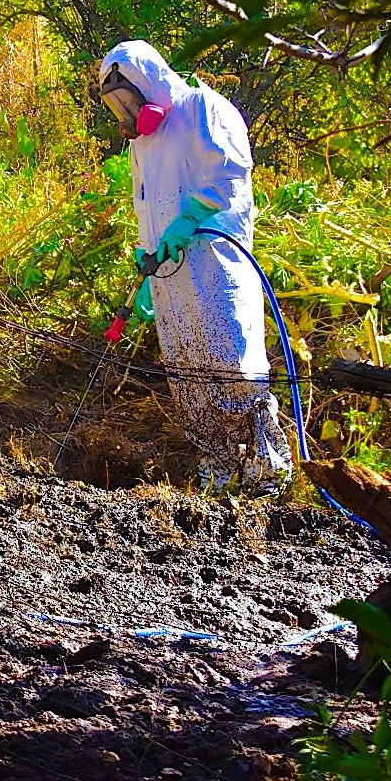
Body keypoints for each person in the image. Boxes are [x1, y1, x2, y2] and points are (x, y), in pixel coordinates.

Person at [96, 39, 291, 493]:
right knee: (187, 372)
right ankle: (219, 477)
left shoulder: (201, 107)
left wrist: (189, 220)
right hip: (170, 275)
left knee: (231, 364)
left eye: (129, 96)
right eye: (116, 104)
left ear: (150, 80)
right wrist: (148, 273)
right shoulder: (143, 144)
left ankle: (266, 476)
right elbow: (148, 209)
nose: (126, 110)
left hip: (214, 262)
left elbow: (230, 175)